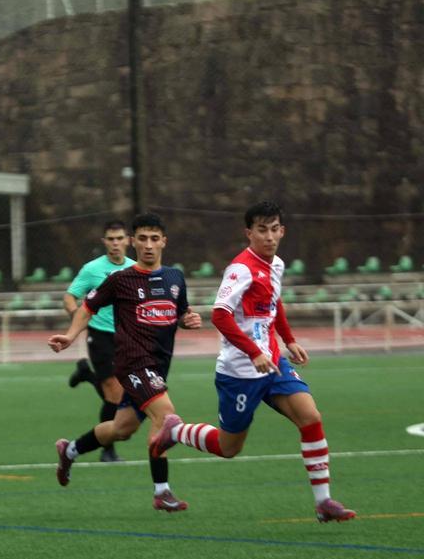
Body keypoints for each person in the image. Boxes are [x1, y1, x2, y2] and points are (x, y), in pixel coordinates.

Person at [150, 201, 357, 523]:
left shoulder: (276, 265)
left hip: (272, 364)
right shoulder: (241, 269)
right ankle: (176, 431)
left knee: (310, 417)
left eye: (274, 229)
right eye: (262, 230)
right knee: (229, 447)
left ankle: (324, 502)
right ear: (249, 233)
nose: (269, 237)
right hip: (240, 372)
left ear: (282, 231)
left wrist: (288, 341)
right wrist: (253, 352)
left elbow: (275, 305)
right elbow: (219, 315)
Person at [47, 212, 202, 510]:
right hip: (132, 363)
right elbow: (88, 307)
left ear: (164, 242)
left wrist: (187, 319)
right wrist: (69, 336)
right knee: (166, 416)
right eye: (142, 238)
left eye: (154, 239)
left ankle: (70, 450)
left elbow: (180, 311)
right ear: (133, 242)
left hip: (158, 367)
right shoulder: (120, 280)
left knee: (121, 428)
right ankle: (162, 491)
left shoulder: (175, 277)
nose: (148, 245)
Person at [63, 220, 135, 462]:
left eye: (119, 238)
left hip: (127, 337)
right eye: (111, 239)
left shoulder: (136, 268)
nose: (115, 243)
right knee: (114, 395)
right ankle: (107, 449)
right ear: (104, 241)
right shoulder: (92, 269)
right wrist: (77, 318)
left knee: (120, 394)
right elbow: (70, 297)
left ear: (128, 240)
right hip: (100, 335)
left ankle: (86, 373)